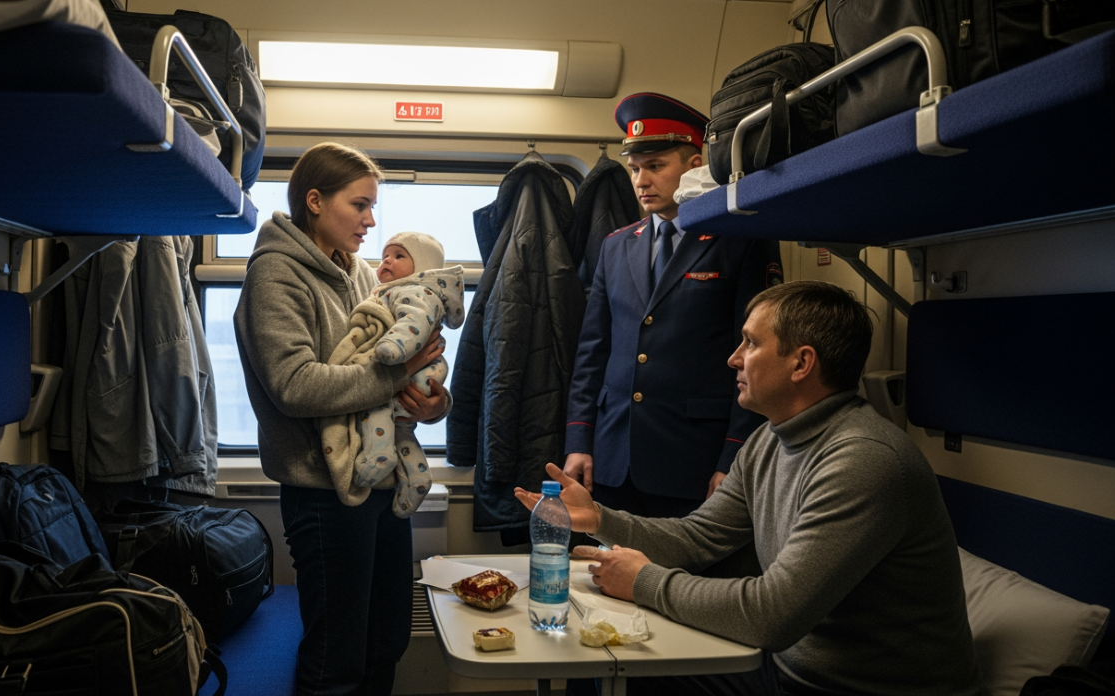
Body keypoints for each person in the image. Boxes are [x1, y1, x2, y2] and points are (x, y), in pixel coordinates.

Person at [519, 281, 983, 696]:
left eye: (750, 343)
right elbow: (698, 538)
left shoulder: (863, 459)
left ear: (802, 363)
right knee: (599, 664)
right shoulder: (770, 438)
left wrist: (643, 581)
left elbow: (771, 614)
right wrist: (600, 519)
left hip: (855, 687)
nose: (733, 358)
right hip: (789, 671)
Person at [233, 142, 449, 696]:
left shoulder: (354, 273)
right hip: (322, 491)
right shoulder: (276, 276)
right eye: (359, 205)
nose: (371, 221)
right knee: (337, 659)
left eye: (372, 206)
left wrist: (430, 404)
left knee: (386, 641)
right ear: (314, 201)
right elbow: (295, 386)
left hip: (378, 477)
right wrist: (398, 379)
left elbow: (385, 366)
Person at [564, 92, 784, 522]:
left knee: (677, 581)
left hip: (692, 458)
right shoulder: (615, 246)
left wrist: (733, 458)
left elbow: (758, 356)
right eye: (634, 169)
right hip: (613, 455)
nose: (641, 181)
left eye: (655, 166)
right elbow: (593, 352)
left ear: (694, 163)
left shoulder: (739, 238)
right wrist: (579, 440)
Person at [316, 232, 465, 518]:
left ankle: (378, 456)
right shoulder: (385, 287)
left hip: (398, 375)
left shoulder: (411, 290)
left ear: (423, 269)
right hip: (326, 483)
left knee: (379, 411)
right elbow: (298, 387)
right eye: (386, 255)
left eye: (398, 256)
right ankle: (417, 477)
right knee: (402, 433)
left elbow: (414, 321)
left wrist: (437, 404)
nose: (386, 261)